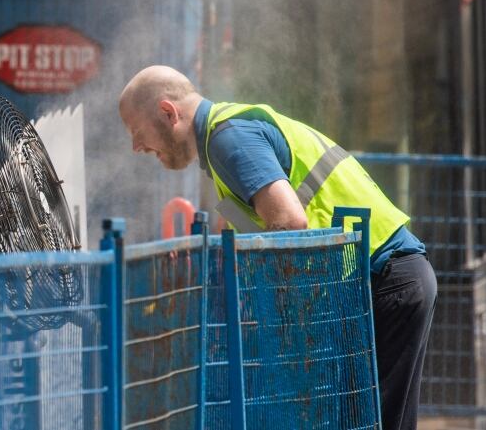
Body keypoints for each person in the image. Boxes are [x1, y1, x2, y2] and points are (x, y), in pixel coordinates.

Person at [119, 65, 437, 430]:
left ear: (167, 112)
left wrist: (285, 320)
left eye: (136, 131)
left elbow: (289, 221)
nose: (136, 147)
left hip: (383, 279)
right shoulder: (226, 138)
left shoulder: (228, 138)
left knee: (363, 422)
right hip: (383, 280)